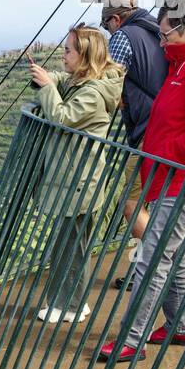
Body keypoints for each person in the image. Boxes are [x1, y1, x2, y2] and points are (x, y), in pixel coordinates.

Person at [99, 0, 185, 362]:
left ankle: (131, 338)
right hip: (173, 175)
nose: (160, 42)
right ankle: (181, 325)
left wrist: (163, 155)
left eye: (166, 34)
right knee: (169, 255)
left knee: (153, 257)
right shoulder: (183, 62)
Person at [27, 26, 124, 324]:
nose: (63, 55)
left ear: (85, 55)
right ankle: (65, 302)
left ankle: (70, 306)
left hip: (81, 183)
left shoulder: (93, 94)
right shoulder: (82, 82)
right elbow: (63, 81)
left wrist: (45, 87)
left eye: (68, 50)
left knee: (73, 248)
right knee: (65, 244)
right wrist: (48, 78)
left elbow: (63, 117)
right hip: (74, 179)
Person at [101, 0, 168, 289]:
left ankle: (159, 270)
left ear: (115, 19)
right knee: (166, 202)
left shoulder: (123, 37)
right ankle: (178, 272)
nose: (107, 31)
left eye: (105, 25)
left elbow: (107, 86)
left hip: (147, 131)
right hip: (168, 127)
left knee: (130, 201)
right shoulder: (156, 30)